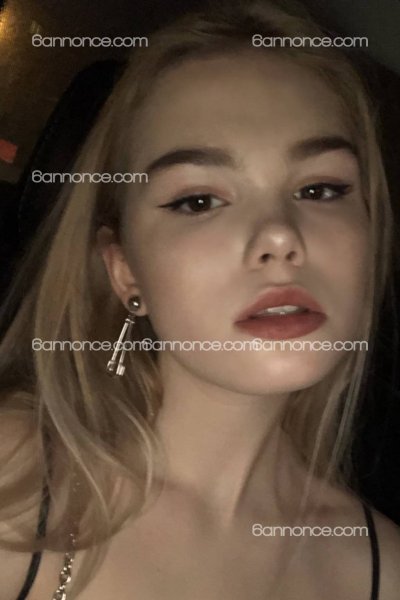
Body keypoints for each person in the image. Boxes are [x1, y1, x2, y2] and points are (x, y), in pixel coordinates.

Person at [1, 0, 399, 598]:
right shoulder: (13, 481)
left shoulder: (384, 570)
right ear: (125, 270)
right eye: (198, 201)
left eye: (321, 189)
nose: (280, 236)